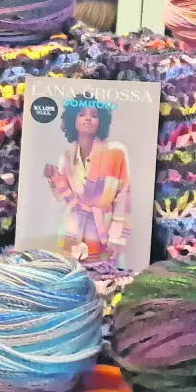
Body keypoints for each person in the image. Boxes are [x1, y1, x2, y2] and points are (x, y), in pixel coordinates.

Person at [43, 94, 130, 272]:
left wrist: (116, 236)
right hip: (71, 229)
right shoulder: (66, 157)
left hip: (102, 231)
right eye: (81, 114)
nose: (88, 118)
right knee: (71, 277)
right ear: (72, 119)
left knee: (104, 278)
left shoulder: (116, 152)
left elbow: (123, 197)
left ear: (101, 122)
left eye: (94, 115)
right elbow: (61, 197)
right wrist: (53, 179)